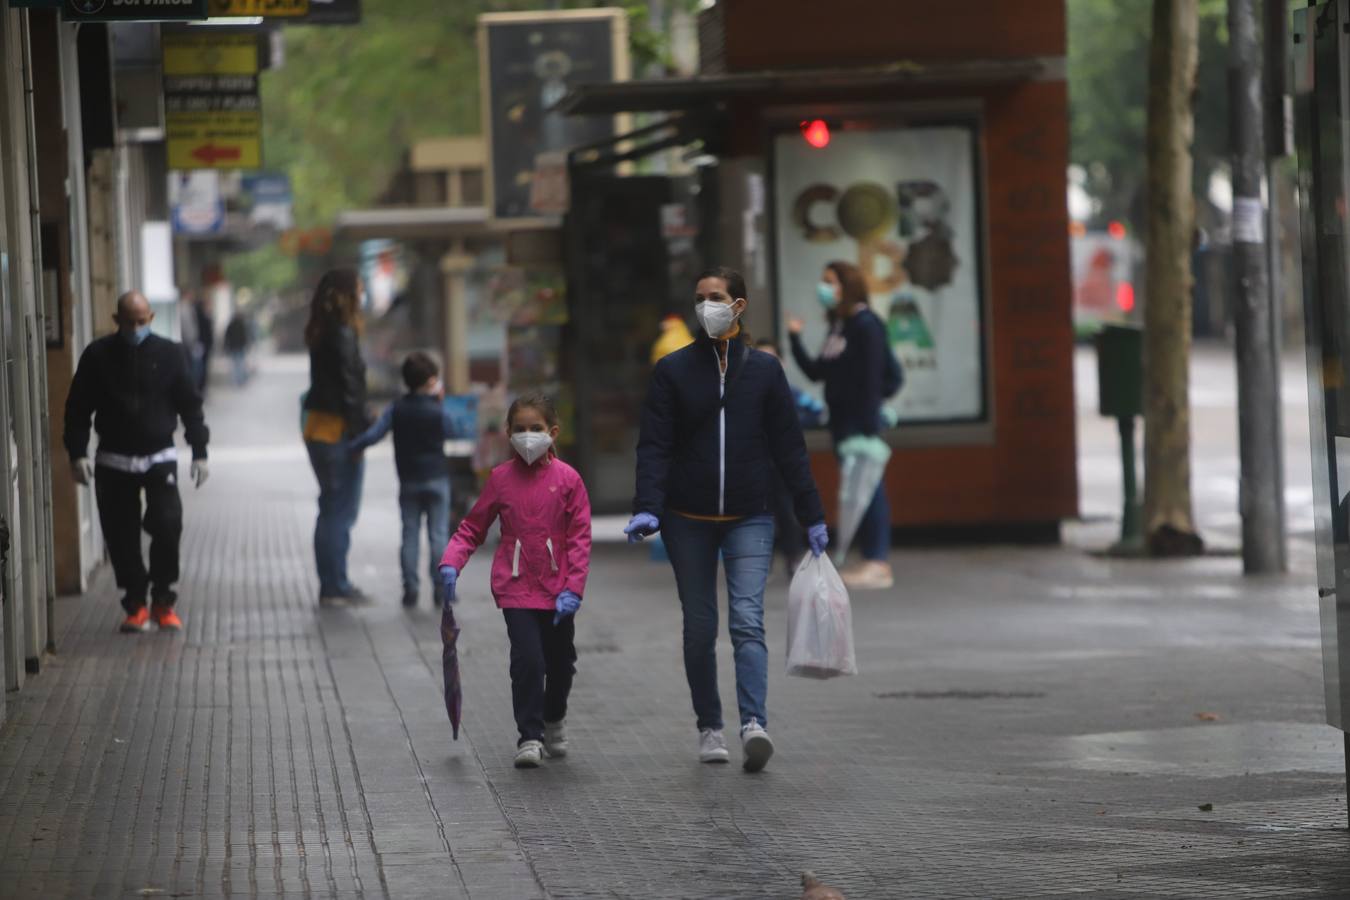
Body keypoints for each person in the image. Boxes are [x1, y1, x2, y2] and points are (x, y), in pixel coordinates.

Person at [627, 267, 828, 773]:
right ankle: (709, 726)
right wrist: (648, 505)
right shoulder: (672, 371)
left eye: (716, 297)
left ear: (738, 305)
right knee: (699, 627)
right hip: (686, 518)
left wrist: (812, 515)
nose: (706, 305)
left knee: (746, 621)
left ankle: (754, 724)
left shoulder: (763, 371)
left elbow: (789, 448)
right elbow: (654, 445)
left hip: (749, 516)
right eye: (699, 298)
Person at [438, 394, 592, 769]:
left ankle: (554, 716)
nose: (528, 436)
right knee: (527, 660)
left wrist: (573, 587)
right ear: (507, 432)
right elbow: (473, 527)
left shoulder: (569, 480)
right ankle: (530, 735)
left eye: (535, 429)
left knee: (561, 663)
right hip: (516, 586)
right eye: (520, 429)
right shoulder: (501, 480)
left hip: (558, 590)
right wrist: (450, 562)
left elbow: (579, 537)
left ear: (553, 432)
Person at [63, 291, 210, 633]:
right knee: (121, 535)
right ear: (116, 321)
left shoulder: (171, 354)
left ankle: (162, 600)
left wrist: (200, 452)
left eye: (141, 321)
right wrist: (78, 452)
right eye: (128, 322)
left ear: (151, 319)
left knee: (168, 523)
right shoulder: (98, 356)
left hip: (159, 456)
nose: (135, 328)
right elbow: (78, 408)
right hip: (113, 460)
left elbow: (190, 404)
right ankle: (135, 604)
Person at [789, 260, 897, 591]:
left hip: (859, 423)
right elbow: (817, 371)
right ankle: (868, 556)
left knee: (869, 489)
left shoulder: (866, 325)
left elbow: (875, 377)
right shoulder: (841, 327)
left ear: (846, 286)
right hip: (841, 421)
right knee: (855, 491)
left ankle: (878, 561)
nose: (823, 288)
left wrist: (869, 421)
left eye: (829, 282)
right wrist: (795, 339)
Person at [347, 351, 460, 608]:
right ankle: (440, 589)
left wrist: (353, 447)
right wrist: (440, 404)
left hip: (409, 481)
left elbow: (374, 434)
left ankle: (410, 588)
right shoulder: (436, 410)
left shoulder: (396, 408)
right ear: (431, 381)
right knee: (439, 535)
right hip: (437, 479)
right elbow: (454, 430)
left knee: (409, 534)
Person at [303, 269, 373, 607]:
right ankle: (335, 586)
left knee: (330, 507)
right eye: (360, 288)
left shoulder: (321, 330)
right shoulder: (342, 334)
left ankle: (332, 584)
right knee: (339, 510)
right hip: (338, 433)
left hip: (319, 428)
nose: (363, 293)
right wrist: (360, 438)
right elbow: (350, 389)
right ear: (348, 294)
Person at [753, 339, 810, 576]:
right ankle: (758, 562)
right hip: (755, 462)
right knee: (757, 514)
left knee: (787, 512)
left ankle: (793, 557)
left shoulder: (791, 394)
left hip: (783, 462)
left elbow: (816, 411)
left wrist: (793, 426)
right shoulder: (747, 394)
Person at [223, 307, 252, 387]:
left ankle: (236, 380)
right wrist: (247, 345)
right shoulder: (242, 324)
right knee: (240, 363)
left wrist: (226, 346)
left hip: (233, 347)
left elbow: (226, 336)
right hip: (240, 347)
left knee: (235, 364)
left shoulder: (231, 325)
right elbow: (245, 337)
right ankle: (240, 380)